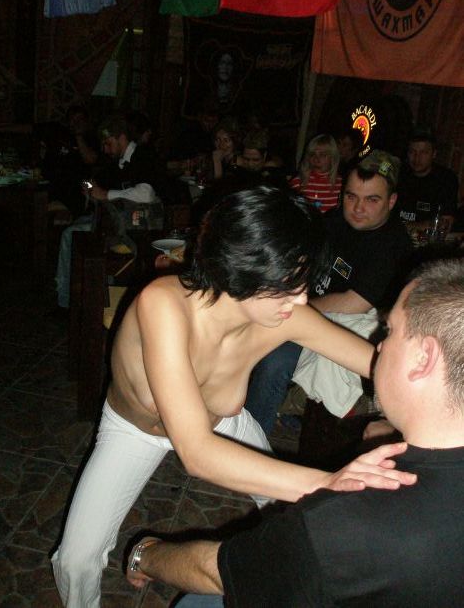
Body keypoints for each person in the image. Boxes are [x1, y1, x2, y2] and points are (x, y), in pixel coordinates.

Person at [52, 186, 416, 607]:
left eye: (302, 282)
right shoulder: (164, 305)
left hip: (221, 423)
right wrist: (328, 483)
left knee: (298, 516)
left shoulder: (286, 315)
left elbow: (377, 366)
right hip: (138, 433)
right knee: (76, 561)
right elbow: (198, 454)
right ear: (240, 269)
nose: (301, 298)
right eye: (288, 284)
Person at [126, 258, 464, 608]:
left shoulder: (345, 523)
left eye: (389, 331)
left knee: (199, 601)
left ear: (424, 359)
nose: (379, 344)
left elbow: (217, 571)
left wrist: (146, 554)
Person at [246, 150, 412, 434]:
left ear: (392, 201)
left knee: (276, 360)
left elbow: (354, 303)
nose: (358, 207)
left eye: (372, 199)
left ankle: (249, 437)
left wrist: (290, 309)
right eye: (351, 196)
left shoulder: (392, 244)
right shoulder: (335, 221)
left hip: (345, 326)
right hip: (307, 308)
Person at [54, 114, 161, 310]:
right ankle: (75, 301)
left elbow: (146, 193)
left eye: (108, 143)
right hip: (114, 222)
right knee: (74, 232)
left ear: (122, 138)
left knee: (71, 235)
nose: (104, 149)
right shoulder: (114, 161)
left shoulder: (144, 156)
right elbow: (91, 180)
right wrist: (88, 187)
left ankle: (71, 303)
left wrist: (105, 194)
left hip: (139, 227)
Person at [396, 126, 458, 229]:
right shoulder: (399, 173)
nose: (417, 158)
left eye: (423, 152)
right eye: (412, 152)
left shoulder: (446, 179)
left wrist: (410, 227)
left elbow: (445, 222)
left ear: (434, 154)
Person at [289, 134, 342, 213]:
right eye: (312, 154)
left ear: (332, 158)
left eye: (322, 155)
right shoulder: (298, 182)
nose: (316, 159)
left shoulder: (341, 185)